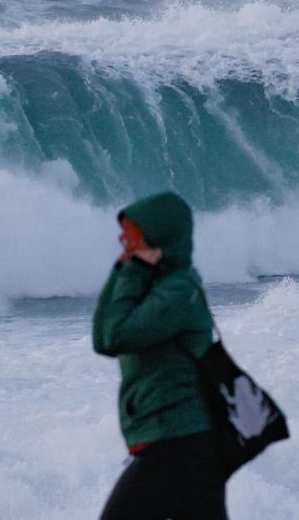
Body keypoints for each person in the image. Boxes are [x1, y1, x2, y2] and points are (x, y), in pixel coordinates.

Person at [93, 192, 227, 520]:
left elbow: (115, 336)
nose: (122, 239)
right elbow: (101, 337)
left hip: (178, 442)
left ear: (157, 238)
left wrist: (131, 270)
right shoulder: (158, 287)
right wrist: (125, 269)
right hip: (178, 442)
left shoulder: (178, 292)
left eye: (133, 233)